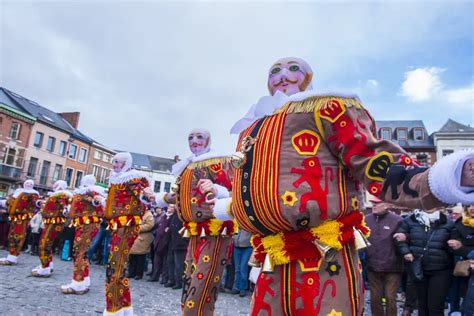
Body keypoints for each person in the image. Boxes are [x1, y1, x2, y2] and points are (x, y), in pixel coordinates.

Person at [210, 56, 474, 315]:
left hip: (326, 252)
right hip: (272, 256)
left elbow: (374, 161)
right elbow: (255, 192)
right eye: (274, 70)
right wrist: (224, 202)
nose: (282, 74)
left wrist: (453, 176)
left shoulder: (326, 107)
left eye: (293, 68)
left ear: (308, 78)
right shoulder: (252, 129)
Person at [146, 128, 236, 316]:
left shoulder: (218, 162)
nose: (193, 140)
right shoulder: (187, 167)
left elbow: (232, 189)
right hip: (194, 233)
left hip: (215, 234)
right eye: (190, 137)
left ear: (208, 141)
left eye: (199, 137)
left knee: (202, 284)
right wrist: (159, 197)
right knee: (189, 283)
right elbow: (180, 195)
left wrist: (216, 189)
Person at [103, 152, 150, 316]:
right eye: (113, 161)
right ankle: (123, 306)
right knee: (117, 266)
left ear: (125, 163)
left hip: (126, 225)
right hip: (117, 226)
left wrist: (152, 196)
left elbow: (144, 192)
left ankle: (114, 308)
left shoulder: (132, 178)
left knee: (114, 266)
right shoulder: (116, 179)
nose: (113, 164)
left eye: (117, 161)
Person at [395, 208, 454, 316]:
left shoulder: (448, 223)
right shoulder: (410, 220)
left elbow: (454, 245)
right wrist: (406, 252)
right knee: (422, 305)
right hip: (418, 268)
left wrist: (454, 245)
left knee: (435, 306)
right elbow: (399, 239)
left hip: (441, 269)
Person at [61, 175, 105, 294]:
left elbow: (96, 200)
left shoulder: (90, 191)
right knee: (81, 252)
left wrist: (95, 200)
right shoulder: (83, 191)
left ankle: (78, 282)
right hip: (82, 223)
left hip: (88, 224)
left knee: (79, 251)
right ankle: (84, 280)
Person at [365, 198, 403, 316]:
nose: (374, 206)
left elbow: (405, 239)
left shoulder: (398, 220)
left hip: (392, 267)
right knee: (375, 299)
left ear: (387, 205)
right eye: (373, 203)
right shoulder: (366, 219)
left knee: (390, 297)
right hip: (372, 266)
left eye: (377, 204)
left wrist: (404, 236)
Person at [31, 180, 72, 277]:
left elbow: (65, 207)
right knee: (47, 244)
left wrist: (65, 210)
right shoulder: (55, 195)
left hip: (54, 222)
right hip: (50, 222)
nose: (54, 185)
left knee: (44, 243)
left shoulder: (61, 195)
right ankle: (48, 264)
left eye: (56, 184)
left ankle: (45, 268)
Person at [0, 179, 40, 265]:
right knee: (11, 235)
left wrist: (39, 203)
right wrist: (3, 202)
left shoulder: (33, 194)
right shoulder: (18, 192)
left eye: (30, 183)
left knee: (18, 236)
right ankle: (11, 255)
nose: (28, 184)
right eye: (27, 183)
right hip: (14, 217)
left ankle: (13, 257)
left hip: (22, 218)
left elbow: (36, 202)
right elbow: (9, 202)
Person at [449, 205, 474, 315]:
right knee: (461, 292)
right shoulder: (460, 224)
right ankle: (454, 310)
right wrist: (468, 252)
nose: (472, 208)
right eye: (469, 205)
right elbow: (455, 247)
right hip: (464, 265)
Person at [128, 208, 154, 280]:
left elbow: (150, 225)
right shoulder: (137, 213)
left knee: (140, 257)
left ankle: (138, 274)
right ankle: (131, 272)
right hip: (135, 237)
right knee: (132, 256)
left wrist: (137, 228)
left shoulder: (148, 215)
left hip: (142, 238)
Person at [148, 207, 171, 282]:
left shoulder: (171, 218)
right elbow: (155, 226)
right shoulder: (163, 217)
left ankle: (164, 279)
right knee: (156, 261)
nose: (169, 208)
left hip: (166, 242)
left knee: (165, 263)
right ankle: (155, 276)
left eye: (171, 207)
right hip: (158, 241)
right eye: (169, 207)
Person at [232, 228, 253, 297]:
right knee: (237, 268)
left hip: (247, 247)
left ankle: (242, 288)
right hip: (236, 246)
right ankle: (236, 287)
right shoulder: (236, 221)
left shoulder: (247, 222)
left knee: (243, 268)